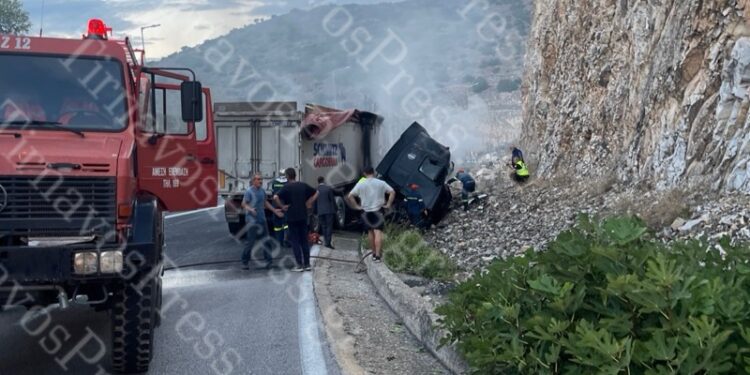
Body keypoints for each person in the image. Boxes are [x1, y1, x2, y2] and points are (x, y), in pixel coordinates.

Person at [346, 166, 395, 262]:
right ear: (374, 172)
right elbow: (392, 192)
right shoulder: (381, 183)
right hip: (378, 211)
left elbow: (350, 196)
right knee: (378, 232)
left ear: (364, 173)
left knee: (370, 232)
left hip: (366, 212)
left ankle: (373, 254)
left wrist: (356, 206)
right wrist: (388, 204)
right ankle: (377, 256)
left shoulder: (361, 184)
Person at [274, 168, 318, 272]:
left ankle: (299, 265)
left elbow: (275, 197)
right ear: (295, 175)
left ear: (288, 176)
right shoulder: (303, 185)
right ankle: (307, 264)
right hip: (303, 216)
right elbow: (317, 192)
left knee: (295, 241)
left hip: (292, 217)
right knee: (304, 240)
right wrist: (309, 202)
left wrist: (282, 206)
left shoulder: (287, 187)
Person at [241, 173, 282, 270]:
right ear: (253, 181)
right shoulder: (249, 191)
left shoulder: (262, 191)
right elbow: (243, 204)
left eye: (261, 179)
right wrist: (250, 210)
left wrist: (274, 211)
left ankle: (269, 261)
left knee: (266, 240)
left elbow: (265, 202)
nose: (261, 181)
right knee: (250, 242)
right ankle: (244, 262)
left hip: (262, 219)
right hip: (252, 221)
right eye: (259, 179)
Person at [316, 176, 336, 249]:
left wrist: (316, 211)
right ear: (323, 181)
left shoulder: (316, 190)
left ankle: (325, 240)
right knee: (329, 226)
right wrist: (335, 210)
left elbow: (315, 201)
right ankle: (328, 243)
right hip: (328, 211)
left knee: (323, 226)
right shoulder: (328, 188)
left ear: (318, 182)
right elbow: (332, 200)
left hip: (320, 211)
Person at [270, 170, 288, 247]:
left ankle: (279, 242)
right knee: (286, 225)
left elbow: (273, 191)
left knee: (277, 226)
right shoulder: (287, 182)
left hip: (275, 206)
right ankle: (286, 241)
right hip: (284, 206)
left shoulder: (274, 182)